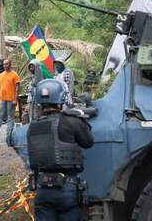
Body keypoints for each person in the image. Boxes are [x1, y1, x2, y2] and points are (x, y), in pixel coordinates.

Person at [27, 79, 94, 221]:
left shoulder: (32, 127)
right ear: (61, 98)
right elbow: (88, 142)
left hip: (42, 190)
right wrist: (82, 118)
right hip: (66, 189)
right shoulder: (71, 120)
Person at [0, 59, 20, 146]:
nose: (5, 66)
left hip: (11, 100)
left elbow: (17, 89)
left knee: (10, 119)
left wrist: (15, 99)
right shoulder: (0, 76)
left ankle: (9, 140)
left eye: (6, 64)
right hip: (1, 100)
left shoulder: (15, 75)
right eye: (4, 64)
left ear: (10, 64)